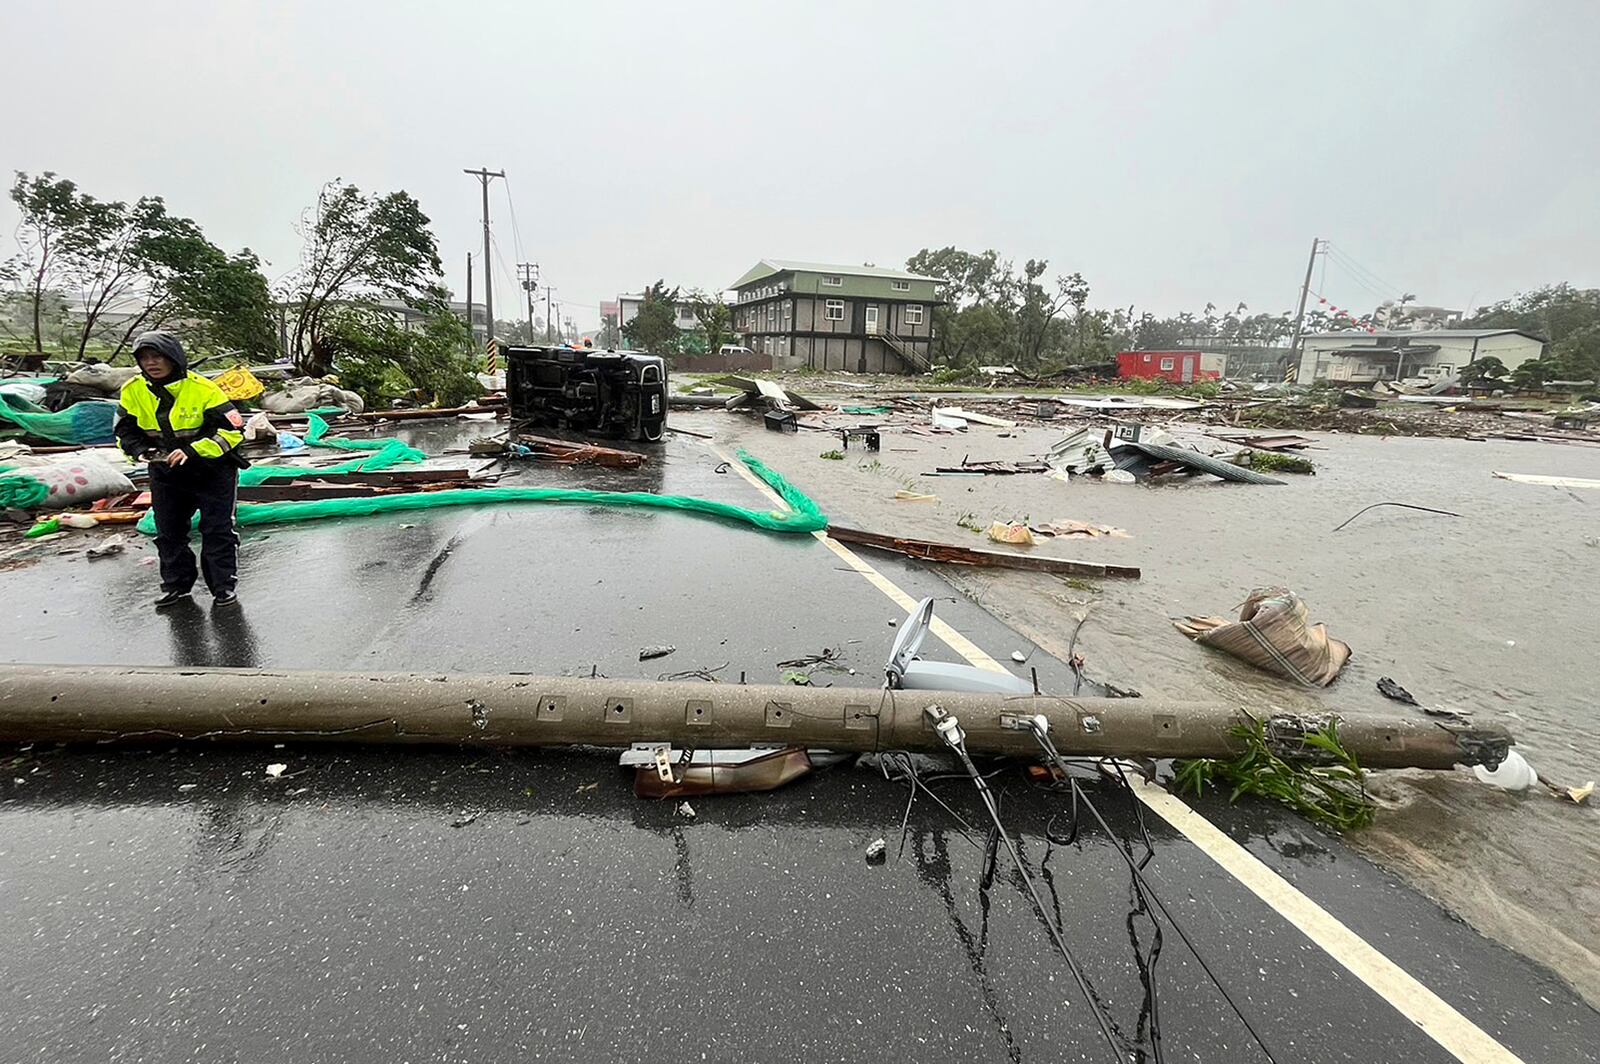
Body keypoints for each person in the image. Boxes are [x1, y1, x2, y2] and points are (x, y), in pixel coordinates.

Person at [114, 331, 248, 608]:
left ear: (174, 358)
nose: (152, 363)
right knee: (168, 532)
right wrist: (141, 451)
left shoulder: (203, 389)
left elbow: (233, 431)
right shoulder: (133, 390)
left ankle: (223, 587)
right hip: (166, 472)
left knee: (217, 530)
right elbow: (124, 430)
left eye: (158, 356)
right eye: (145, 358)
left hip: (211, 470)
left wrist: (192, 450)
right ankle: (176, 586)